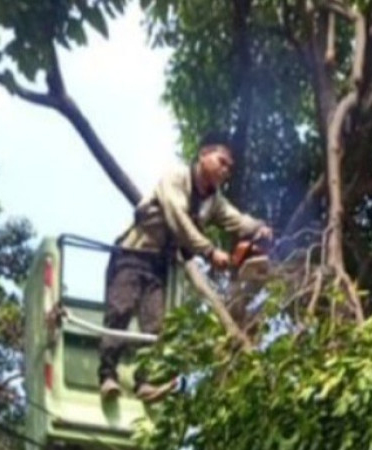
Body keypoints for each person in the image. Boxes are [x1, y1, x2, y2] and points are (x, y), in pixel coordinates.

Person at [98, 131, 272, 402]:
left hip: (159, 265)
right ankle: (108, 376)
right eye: (221, 161)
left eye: (229, 167)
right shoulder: (175, 178)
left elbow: (237, 220)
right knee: (120, 310)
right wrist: (210, 251)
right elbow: (178, 219)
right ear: (203, 155)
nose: (226, 171)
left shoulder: (214, 201)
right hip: (132, 255)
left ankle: (144, 382)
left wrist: (259, 228)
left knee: (154, 326)